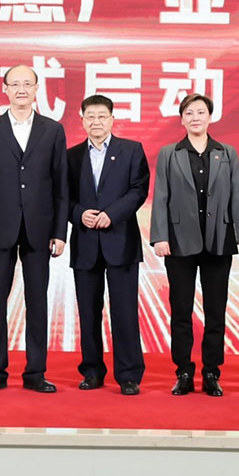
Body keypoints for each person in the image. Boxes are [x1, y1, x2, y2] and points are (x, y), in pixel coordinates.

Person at [0, 65, 68, 393]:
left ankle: (35, 372)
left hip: (39, 228)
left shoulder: (53, 130)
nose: (21, 89)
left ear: (37, 88)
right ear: (5, 89)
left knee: (37, 301)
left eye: (28, 83)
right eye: (15, 84)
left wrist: (60, 231)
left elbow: (61, 185)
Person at [150, 93, 239, 397]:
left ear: (210, 117)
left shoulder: (226, 152)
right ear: (181, 119)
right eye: (189, 113)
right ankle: (183, 371)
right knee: (181, 310)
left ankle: (211, 371)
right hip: (179, 242)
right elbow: (161, 196)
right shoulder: (169, 153)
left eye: (201, 112)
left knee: (215, 311)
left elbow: (238, 195)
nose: (195, 118)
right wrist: (160, 236)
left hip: (219, 239)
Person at [67, 95, 150, 395]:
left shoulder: (131, 150)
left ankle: (128, 375)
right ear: (82, 120)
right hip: (86, 242)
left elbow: (138, 190)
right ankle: (92, 371)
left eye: (102, 116)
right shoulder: (71, 156)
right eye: (90, 116)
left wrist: (111, 214)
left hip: (121, 240)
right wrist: (78, 214)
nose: (96, 122)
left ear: (112, 119)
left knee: (124, 312)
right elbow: (62, 196)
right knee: (88, 312)